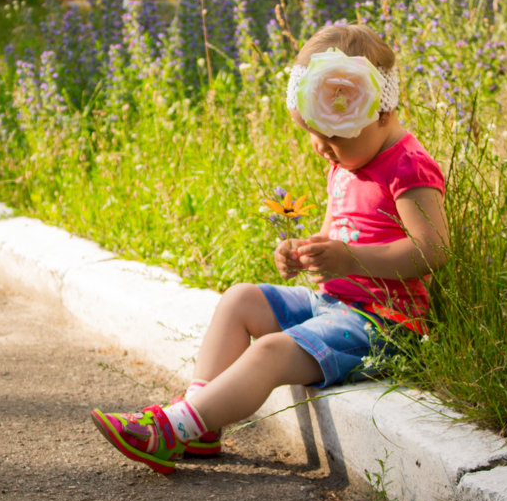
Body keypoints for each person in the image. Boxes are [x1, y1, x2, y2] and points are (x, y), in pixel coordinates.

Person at [91, 24, 449, 475]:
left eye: (333, 138)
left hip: (383, 324)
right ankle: (199, 420)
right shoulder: (351, 157)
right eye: (313, 135)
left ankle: (173, 427)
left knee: (270, 351)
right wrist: (307, 254)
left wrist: (348, 258)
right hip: (334, 305)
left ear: (380, 113)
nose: (322, 148)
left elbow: (431, 251)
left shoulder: (407, 165)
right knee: (241, 298)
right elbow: (335, 236)